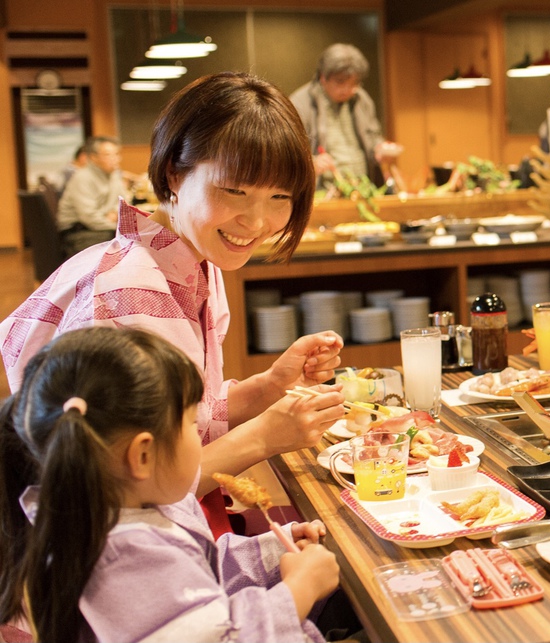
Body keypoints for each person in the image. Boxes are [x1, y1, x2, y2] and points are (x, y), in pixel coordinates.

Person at [0, 72, 345, 537]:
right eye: (234, 191)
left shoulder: (196, 259)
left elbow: (180, 419)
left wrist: (267, 388)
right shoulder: (131, 292)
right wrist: (265, 435)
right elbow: (127, 496)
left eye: (280, 197)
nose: (258, 221)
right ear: (174, 176)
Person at [0, 327, 339, 641]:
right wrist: (299, 589)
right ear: (142, 455)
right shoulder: (122, 557)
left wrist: (273, 550)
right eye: (192, 424)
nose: (200, 436)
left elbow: (196, 574)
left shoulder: (132, 504)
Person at [290, 43, 400, 187]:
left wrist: (379, 149)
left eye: (354, 83)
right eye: (340, 82)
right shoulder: (300, 103)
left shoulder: (362, 99)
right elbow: (289, 155)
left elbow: (373, 136)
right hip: (324, 192)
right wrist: (312, 163)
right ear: (323, 77)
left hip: (364, 187)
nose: (347, 90)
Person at [55, 136, 131, 256]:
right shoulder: (82, 178)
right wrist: (117, 227)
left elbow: (125, 200)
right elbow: (89, 218)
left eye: (117, 154)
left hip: (99, 227)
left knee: (134, 239)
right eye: (108, 155)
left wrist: (115, 213)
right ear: (93, 157)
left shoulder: (114, 174)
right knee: (129, 240)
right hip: (78, 232)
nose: (115, 159)